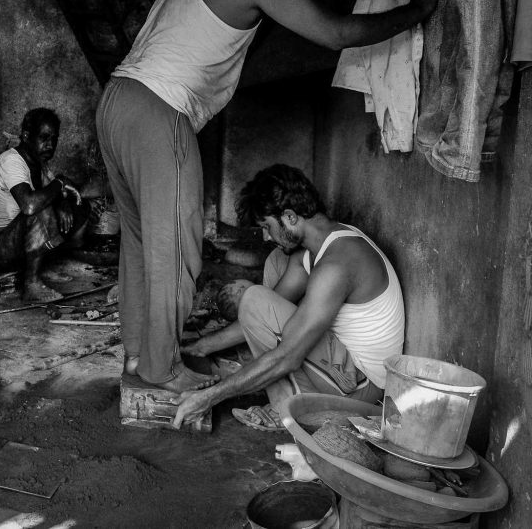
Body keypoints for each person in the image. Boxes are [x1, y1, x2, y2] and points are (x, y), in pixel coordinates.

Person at [95, 0, 442, 394]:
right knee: (175, 248)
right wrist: (417, 10)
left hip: (119, 102)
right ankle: (162, 368)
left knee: (140, 244)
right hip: (159, 109)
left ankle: (141, 355)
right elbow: (335, 33)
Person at [171, 164, 405, 430]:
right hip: (341, 369)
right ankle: (283, 392)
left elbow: (286, 353)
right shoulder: (317, 248)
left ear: (291, 217)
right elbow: (260, 317)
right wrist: (202, 346)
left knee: (255, 300)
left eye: (267, 227)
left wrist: (207, 398)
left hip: (361, 389)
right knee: (275, 265)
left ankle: (290, 410)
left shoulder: (337, 264)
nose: (266, 236)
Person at [0, 108, 87, 301]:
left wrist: (62, 202)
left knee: (75, 204)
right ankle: (32, 284)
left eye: (54, 139)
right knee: (38, 209)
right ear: (27, 136)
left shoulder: (37, 162)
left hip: (14, 243)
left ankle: (42, 269)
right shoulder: (11, 161)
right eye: (44, 138)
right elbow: (29, 205)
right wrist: (60, 182)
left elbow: (55, 192)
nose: (50, 145)